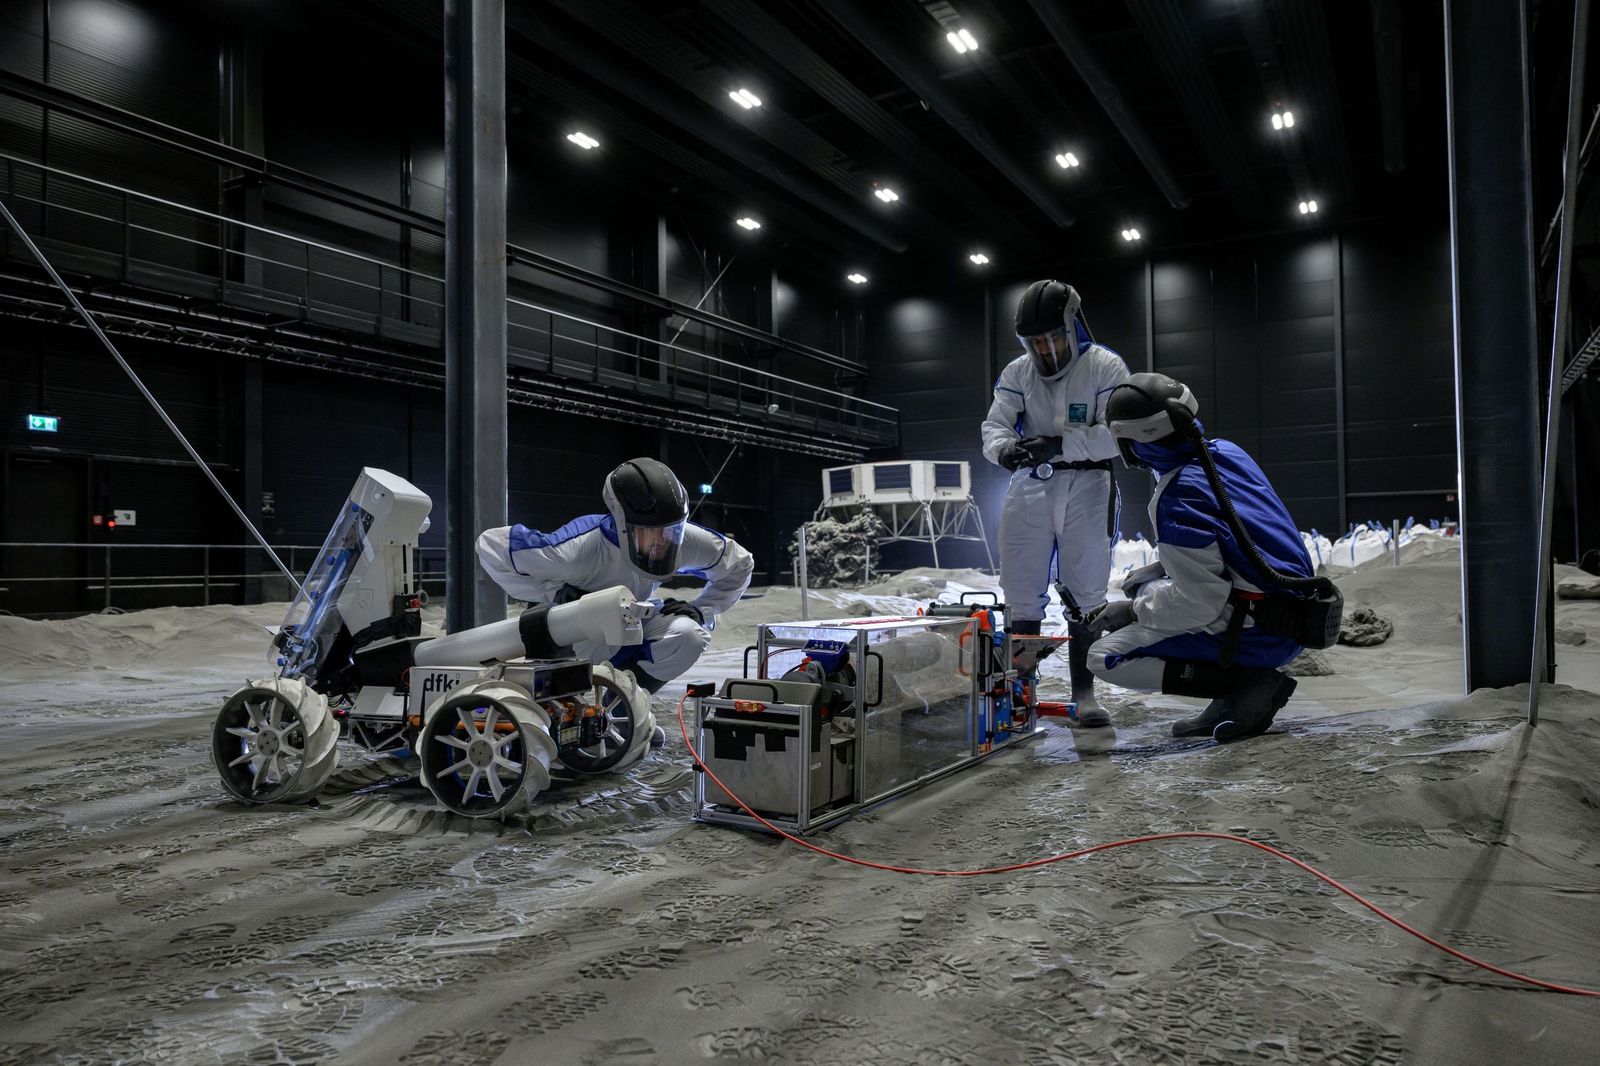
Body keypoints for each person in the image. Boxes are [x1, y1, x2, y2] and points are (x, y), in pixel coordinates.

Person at [1082, 373, 1317, 741]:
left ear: (1133, 442)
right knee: (1148, 588)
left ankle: (1246, 685)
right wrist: (1160, 568)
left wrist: (1130, 612)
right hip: (1292, 610)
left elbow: (1199, 604)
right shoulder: (1226, 452)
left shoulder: (1176, 497)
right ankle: (1234, 693)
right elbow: (1236, 536)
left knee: (1104, 658)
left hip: (1264, 630)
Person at [476, 458, 754, 708]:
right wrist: (554, 592)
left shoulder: (676, 538)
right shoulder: (578, 549)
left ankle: (622, 711)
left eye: (670, 530)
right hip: (571, 636)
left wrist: (703, 610)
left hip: (629, 622)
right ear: (622, 522)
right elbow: (490, 545)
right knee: (557, 708)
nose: (662, 541)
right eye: (651, 531)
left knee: (689, 636)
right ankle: (574, 708)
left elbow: (739, 563)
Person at [982, 280, 1130, 727]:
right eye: (1035, 343)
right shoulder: (1017, 374)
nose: (1046, 350)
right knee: (1022, 589)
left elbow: (1116, 434)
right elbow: (995, 426)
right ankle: (1020, 693)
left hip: (1089, 485)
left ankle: (1083, 695)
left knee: (1085, 592)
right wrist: (1004, 450)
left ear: (1074, 326)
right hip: (1031, 485)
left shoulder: (1105, 367)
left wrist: (1061, 444)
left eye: (1054, 338)